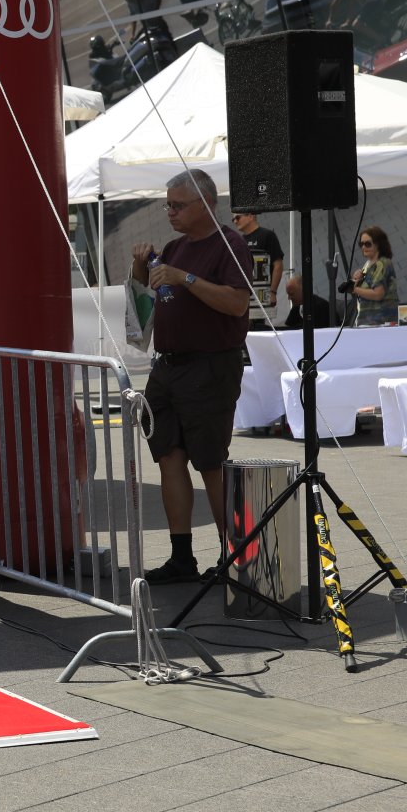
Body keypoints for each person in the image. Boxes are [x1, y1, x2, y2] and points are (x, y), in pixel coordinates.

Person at [131, 169, 254, 583]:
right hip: (168, 366)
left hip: (210, 366)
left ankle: (235, 557)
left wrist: (185, 277)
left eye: (178, 205)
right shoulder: (174, 247)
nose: (170, 212)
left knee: (210, 463)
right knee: (168, 456)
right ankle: (181, 557)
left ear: (205, 204)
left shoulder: (230, 245)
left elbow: (237, 304)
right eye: (167, 204)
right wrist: (139, 267)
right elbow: (150, 297)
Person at [232, 211, 283, 326]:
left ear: (250, 216)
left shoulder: (267, 235)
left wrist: (272, 292)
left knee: (259, 325)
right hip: (245, 294)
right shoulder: (240, 240)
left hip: (261, 293)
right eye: (233, 219)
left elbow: (278, 265)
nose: (235, 221)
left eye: (237, 217)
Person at [344, 226, 399, 326]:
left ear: (378, 245)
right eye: (361, 244)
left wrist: (354, 289)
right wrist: (357, 280)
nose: (363, 247)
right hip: (369, 323)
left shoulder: (382, 263)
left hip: (380, 323)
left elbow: (378, 294)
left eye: (368, 244)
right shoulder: (368, 264)